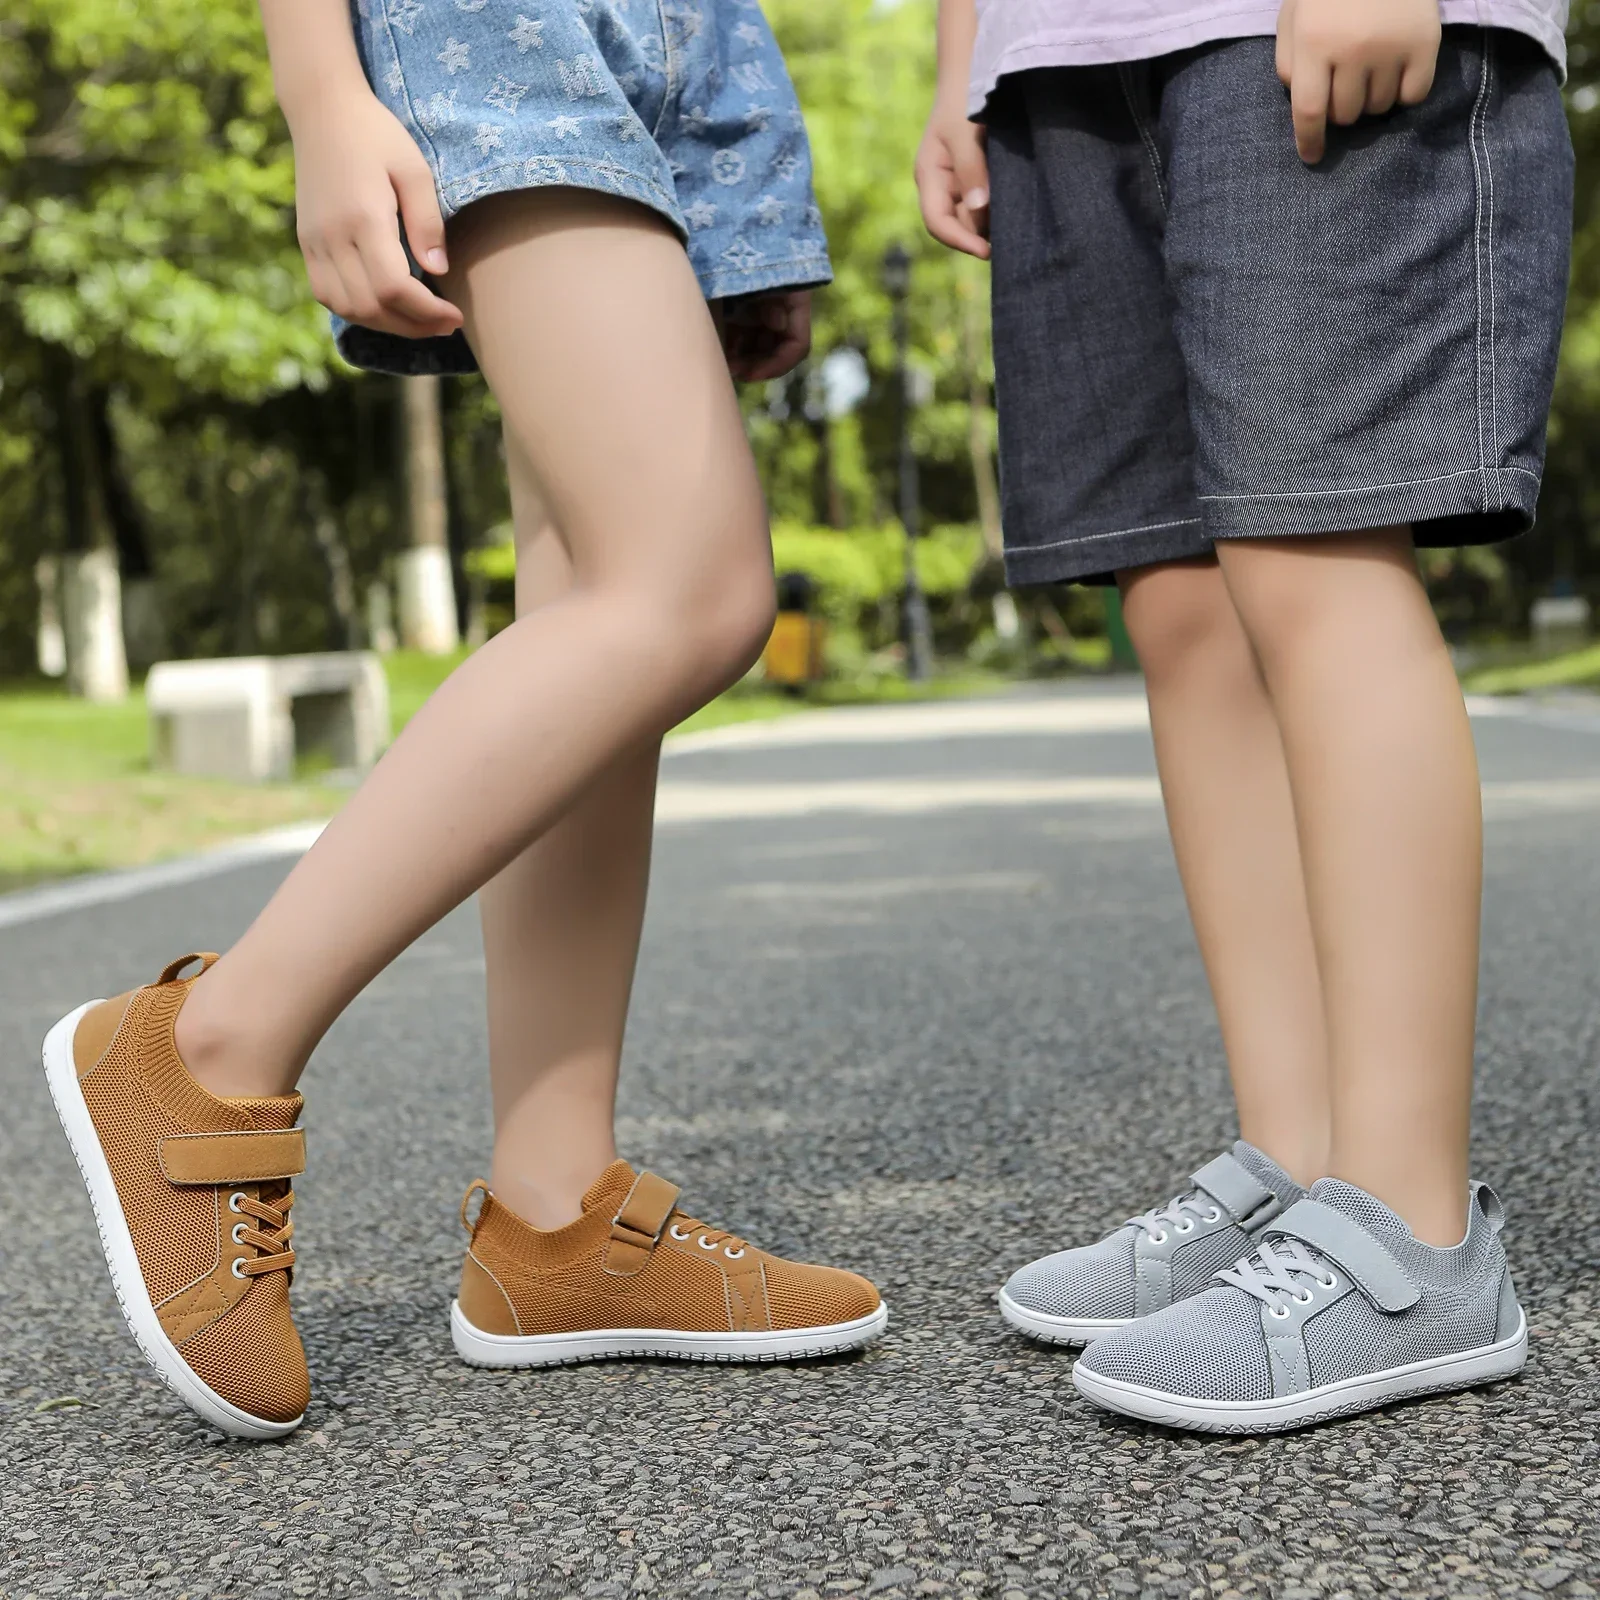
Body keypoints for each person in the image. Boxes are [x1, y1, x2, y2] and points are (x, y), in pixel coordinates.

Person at [43, 0, 886, 1442]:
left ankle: (554, 1213)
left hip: (682, 45)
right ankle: (212, 1046)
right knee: (688, 592)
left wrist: (748, 185)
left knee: (598, 607)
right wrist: (319, 86)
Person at [918, 0, 1570, 1430]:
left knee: (1315, 556)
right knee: (1182, 597)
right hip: (1062, 54)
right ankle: (1298, 1165)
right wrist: (963, 57)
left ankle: (1416, 1241)